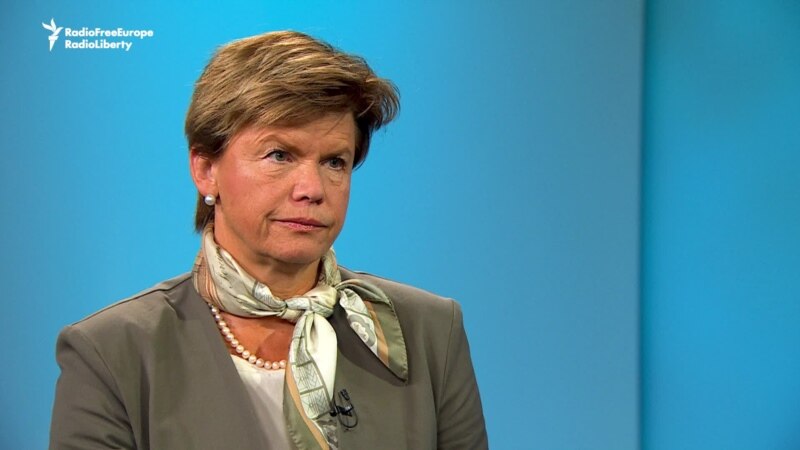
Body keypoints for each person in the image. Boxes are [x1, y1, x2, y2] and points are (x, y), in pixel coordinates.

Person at [49, 30, 488, 450]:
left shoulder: (430, 333)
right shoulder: (111, 353)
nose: (312, 189)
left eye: (335, 162)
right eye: (280, 155)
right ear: (205, 169)